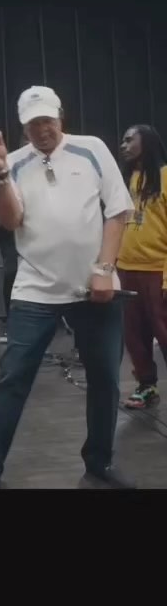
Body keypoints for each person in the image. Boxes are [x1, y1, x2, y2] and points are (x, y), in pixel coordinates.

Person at [0, 85, 135, 489]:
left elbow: (118, 210)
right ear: (23, 127)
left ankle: (99, 462)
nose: (42, 129)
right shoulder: (13, 162)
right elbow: (10, 221)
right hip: (35, 289)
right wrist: (2, 175)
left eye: (47, 120)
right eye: (33, 123)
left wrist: (104, 269)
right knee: (12, 379)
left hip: (94, 286)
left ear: (61, 117)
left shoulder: (91, 149)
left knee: (105, 379)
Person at [117, 124, 167, 409]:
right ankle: (147, 386)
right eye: (123, 141)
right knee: (134, 335)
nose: (123, 145)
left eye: (129, 140)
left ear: (146, 142)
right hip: (126, 269)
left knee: (164, 332)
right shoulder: (125, 180)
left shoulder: (166, 176)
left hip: (157, 269)